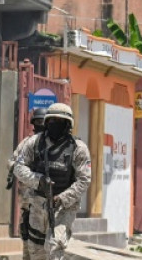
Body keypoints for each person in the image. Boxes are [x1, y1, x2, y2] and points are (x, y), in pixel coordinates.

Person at [12, 103, 91, 259]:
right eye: (52, 121)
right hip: (37, 203)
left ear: (68, 124)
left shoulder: (78, 148)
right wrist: (38, 180)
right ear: (47, 123)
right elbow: (18, 167)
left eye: (60, 121)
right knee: (35, 249)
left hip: (64, 208)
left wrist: (62, 198)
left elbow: (84, 179)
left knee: (54, 246)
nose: (55, 125)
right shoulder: (34, 143)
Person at [7, 107, 46, 258]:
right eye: (38, 121)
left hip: (47, 201)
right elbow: (12, 164)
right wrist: (30, 173)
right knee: (28, 237)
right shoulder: (28, 143)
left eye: (42, 121)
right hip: (29, 200)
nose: (40, 124)